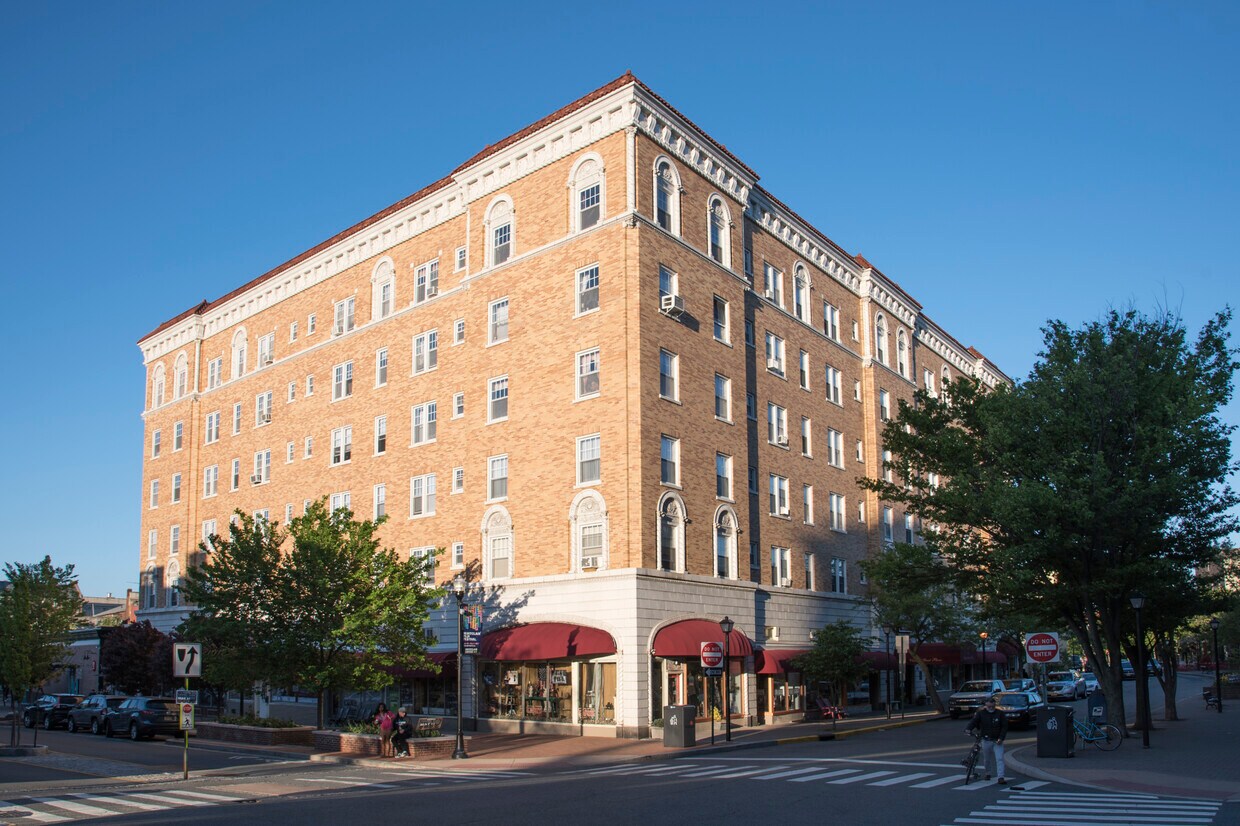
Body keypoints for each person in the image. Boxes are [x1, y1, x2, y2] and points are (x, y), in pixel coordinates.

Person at [964, 695, 1008, 784]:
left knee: (999, 758)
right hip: (985, 739)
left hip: (997, 740)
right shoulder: (981, 713)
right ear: (985, 705)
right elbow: (974, 722)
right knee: (987, 758)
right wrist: (968, 729)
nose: (991, 708)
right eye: (989, 706)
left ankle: (1001, 777)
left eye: (992, 706)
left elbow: (1004, 727)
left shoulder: (1000, 714)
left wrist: (1001, 738)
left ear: (995, 705)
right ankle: (988, 773)